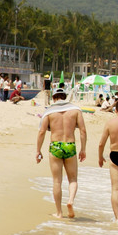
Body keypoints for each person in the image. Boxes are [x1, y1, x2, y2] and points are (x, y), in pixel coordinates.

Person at [36, 88, 87, 218]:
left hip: (55, 146)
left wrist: (38, 150)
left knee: (57, 181)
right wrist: (83, 149)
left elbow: (42, 132)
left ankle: (59, 212)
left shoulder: (49, 112)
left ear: (54, 98)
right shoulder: (76, 110)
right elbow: (83, 131)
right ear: (65, 97)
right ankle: (70, 201)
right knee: (73, 179)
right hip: (70, 145)